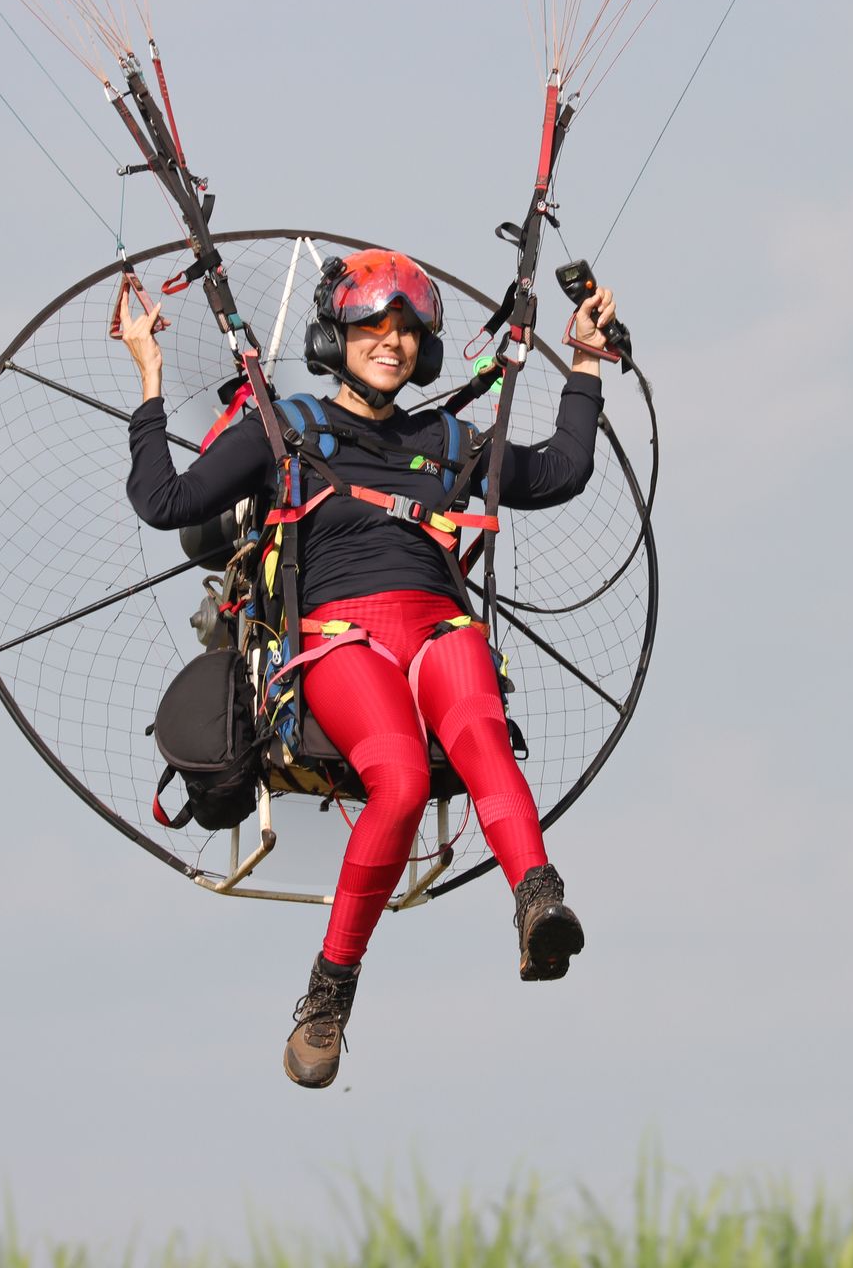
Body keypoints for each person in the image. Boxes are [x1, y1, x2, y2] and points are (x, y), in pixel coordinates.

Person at [119, 248, 620, 1088]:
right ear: (336, 334)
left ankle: (538, 902)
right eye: (372, 324)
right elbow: (165, 502)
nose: (390, 340)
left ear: (422, 348)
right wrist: (149, 376)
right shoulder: (287, 433)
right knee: (400, 780)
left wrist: (585, 363)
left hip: (439, 626)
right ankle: (330, 991)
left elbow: (564, 471)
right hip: (340, 637)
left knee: (481, 736)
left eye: (406, 329)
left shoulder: (451, 441)